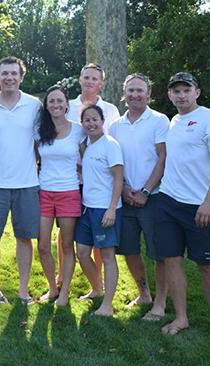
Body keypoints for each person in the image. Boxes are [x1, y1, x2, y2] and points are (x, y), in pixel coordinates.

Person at [156, 72, 210, 348]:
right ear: (169, 95)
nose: (181, 95)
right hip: (167, 202)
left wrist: (209, 200)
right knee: (172, 260)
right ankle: (181, 318)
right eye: (176, 91)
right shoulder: (174, 121)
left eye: (186, 90)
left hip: (200, 206)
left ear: (197, 92)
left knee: (206, 266)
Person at [0, 56, 42, 305]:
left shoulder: (34, 105)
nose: (9, 78)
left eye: (14, 73)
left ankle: (23, 290)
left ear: (21, 77)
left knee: (25, 237)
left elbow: (39, 143)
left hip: (27, 182)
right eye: (5, 73)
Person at [109, 73, 169, 320]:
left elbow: (163, 159)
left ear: (148, 94)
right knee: (130, 250)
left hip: (153, 198)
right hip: (126, 197)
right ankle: (144, 293)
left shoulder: (158, 120)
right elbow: (114, 163)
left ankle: (161, 304)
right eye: (130, 90)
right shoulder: (115, 126)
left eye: (140, 90)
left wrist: (145, 191)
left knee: (159, 252)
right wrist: (123, 190)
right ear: (124, 95)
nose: (135, 94)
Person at [61, 63, 121, 292]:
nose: (89, 81)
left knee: (100, 242)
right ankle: (64, 278)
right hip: (74, 180)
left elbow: (112, 149)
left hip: (102, 187)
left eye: (94, 78)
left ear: (101, 83)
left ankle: (101, 286)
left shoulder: (111, 110)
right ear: (80, 79)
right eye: (86, 77)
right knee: (69, 234)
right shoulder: (69, 106)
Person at [35, 85, 85, 306]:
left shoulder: (78, 130)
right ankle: (53, 288)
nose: (55, 105)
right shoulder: (40, 130)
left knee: (66, 245)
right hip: (44, 192)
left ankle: (65, 291)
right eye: (51, 101)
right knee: (43, 245)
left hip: (69, 192)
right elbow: (37, 159)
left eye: (59, 101)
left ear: (67, 104)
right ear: (46, 105)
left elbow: (88, 160)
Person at [75, 104, 123, 316]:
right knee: (83, 253)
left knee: (107, 256)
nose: (91, 123)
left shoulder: (110, 145)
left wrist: (112, 208)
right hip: (87, 208)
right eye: (87, 120)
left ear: (102, 121)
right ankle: (96, 289)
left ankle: (108, 305)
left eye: (95, 119)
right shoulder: (87, 145)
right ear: (82, 123)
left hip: (105, 209)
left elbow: (118, 177)